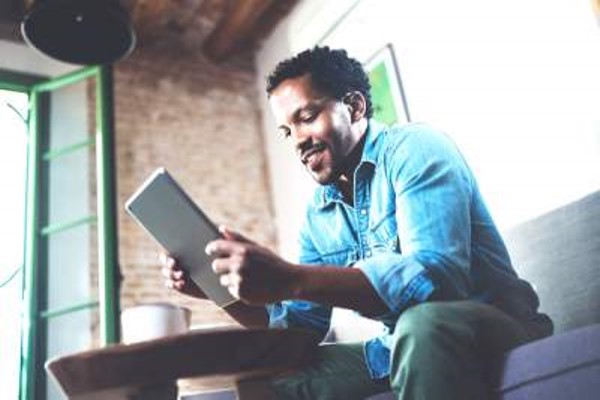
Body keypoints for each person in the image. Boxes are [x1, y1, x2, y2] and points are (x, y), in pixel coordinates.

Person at [160, 46, 552, 399]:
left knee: (423, 323)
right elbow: (299, 332)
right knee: (272, 379)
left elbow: (438, 278)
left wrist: (289, 277)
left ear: (356, 107)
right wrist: (218, 288)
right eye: (287, 130)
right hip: (399, 346)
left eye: (307, 117)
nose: (297, 139)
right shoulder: (319, 214)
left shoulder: (415, 148)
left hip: (495, 327)